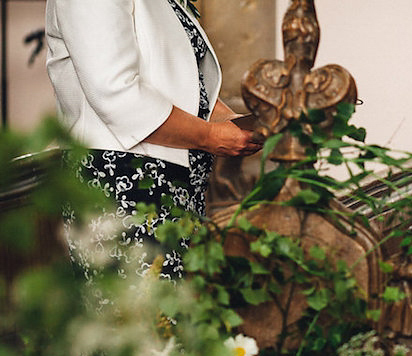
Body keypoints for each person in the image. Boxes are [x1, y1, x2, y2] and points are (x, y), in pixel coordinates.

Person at [45, 0, 262, 279]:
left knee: (180, 316)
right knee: (141, 317)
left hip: (176, 185)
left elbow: (183, 85)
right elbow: (115, 93)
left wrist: (235, 123)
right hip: (123, 186)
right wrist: (209, 136)